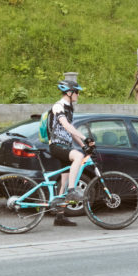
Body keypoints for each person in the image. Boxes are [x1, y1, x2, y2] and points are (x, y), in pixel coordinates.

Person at [48, 80, 95, 226]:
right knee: (78, 157)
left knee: (65, 180)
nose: (78, 95)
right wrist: (84, 138)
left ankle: (60, 216)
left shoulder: (69, 108)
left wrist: (83, 145)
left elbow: (71, 131)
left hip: (65, 146)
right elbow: (67, 126)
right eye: (77, 92)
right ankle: (72, 191)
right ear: (69, 92)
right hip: (56, 145)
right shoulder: (58, 106)